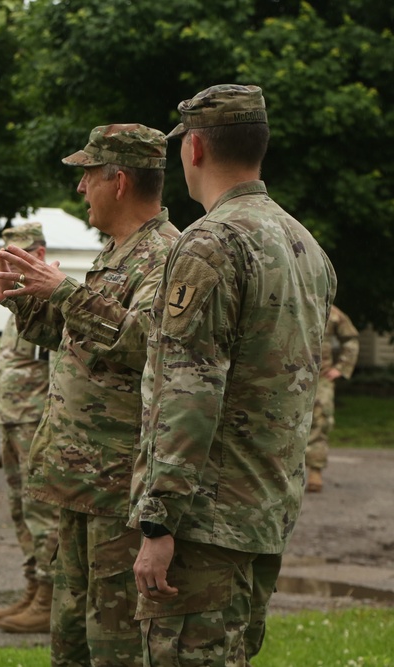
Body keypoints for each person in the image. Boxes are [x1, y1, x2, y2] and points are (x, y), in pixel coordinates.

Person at [129, 85, 335, 666]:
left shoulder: (212, 241)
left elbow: (188, 389)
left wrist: (157, 520)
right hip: (262, 511)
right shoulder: (303, 243)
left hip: (205, 521)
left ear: (194, 148)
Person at [0, 123, 179, 665]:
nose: (81, 189)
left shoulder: (167, 257)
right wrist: (18, 299)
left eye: (88, 175)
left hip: (118, 489)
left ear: (121, 181)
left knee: (113, 645)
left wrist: (65, 291)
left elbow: (147, 346)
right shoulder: (116, 253)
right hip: (79, 482)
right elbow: (78, 339)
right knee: (70, 639)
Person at [0, 223, 59, 634]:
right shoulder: (16, 298)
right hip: (12, 421)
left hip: (36, 423)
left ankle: (49, 596)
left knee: (42, 512)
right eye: (7, 255)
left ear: (41, 253)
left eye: (20, 254)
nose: (10, 263)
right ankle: (33, 587)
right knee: (20, 512)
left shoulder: (45, 299)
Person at [305, 305, 359, 492]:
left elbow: (351, 338)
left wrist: (342, 367)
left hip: (321, 377)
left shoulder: (330, 311)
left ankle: (315, 470)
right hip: (286, 375)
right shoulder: (287, 301)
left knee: (321, 420)